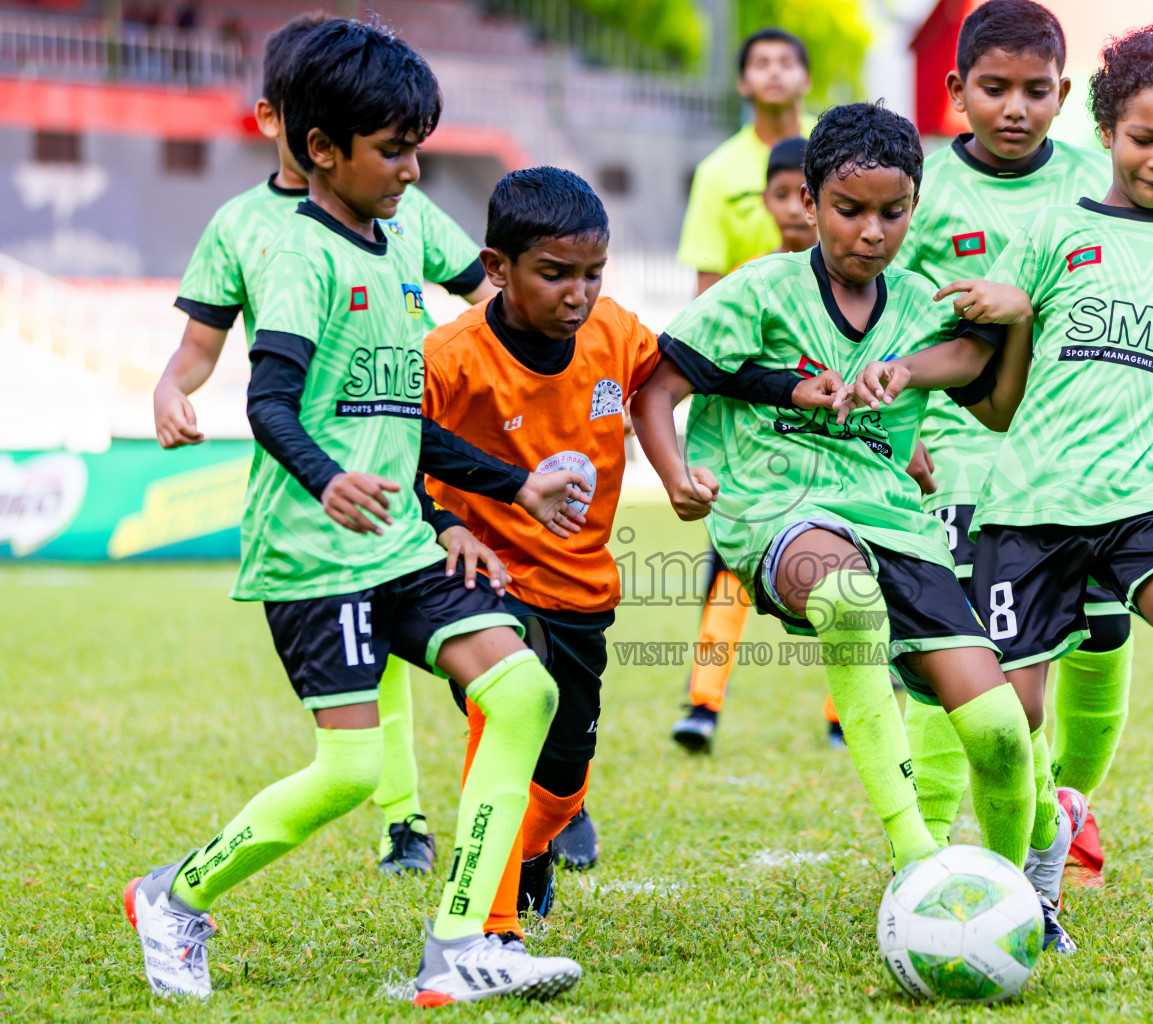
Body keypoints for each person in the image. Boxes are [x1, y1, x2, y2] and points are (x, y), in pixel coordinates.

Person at [123, 21, 586, 1004]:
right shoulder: (290, 253)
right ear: (317, 148)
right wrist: (326, 476)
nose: (417, 169)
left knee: (522, 691)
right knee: (345, 772)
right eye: (395, 149)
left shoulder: (402, 234)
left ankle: (464, 941)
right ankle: (171, 896)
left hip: (399, 539)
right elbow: (267, 401)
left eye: (420, 143)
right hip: (314, 554)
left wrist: (515, 484)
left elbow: (404, 421)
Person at [842, 25, 1153, 965]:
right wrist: (927, 367)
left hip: (1150, 497)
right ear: (1108, 129)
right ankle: (1023, 888)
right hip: (1033, 504)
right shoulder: (1050, 229)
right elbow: (994, 377)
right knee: (1016, 723)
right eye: (1143, 139)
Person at [632, 105, 1070, 927]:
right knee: (848, 601)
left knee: (1005, 734)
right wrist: (676, 474)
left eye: (892, 212)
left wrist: (939, 359)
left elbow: (978, 369)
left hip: (896, 524)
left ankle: (1016, 901)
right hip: (776, 511)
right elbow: (656, 387)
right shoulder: (759, 291)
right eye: (849, 210)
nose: (872, 232)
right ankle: (917, 867)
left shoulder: (919, 304)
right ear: (807, 201)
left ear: (915, 207)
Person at [889, 0, 1130, 899]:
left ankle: (1064, 806)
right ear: (957, 91)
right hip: (962, 462)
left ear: (1065, 94)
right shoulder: (925, 196)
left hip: (1085, 464)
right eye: (995, 89)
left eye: (1037, 90)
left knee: (1101, 645)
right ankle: (938, 858)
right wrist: (901, 437)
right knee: (971, 672)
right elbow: (892, 331)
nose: (1016, 107)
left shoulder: (1101, 183)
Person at [421, 167, 661, 933]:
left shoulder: (617, 334)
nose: (577, 294)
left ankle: (527, 850)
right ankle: (487, 927)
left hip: (583, 591)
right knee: (506, 720)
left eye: (592, 274)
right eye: (555, 275)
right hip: (482, 582)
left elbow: (682, 378)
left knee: (560, 785)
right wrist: (445, 525)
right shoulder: (450, 357)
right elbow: (390, 444)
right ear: (497, 269)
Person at [669, 134, 846, 753]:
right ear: (774, 202)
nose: (795, 210)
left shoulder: (856, 290)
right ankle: (702, 705)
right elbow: (707, 367)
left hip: (832, 469)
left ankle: (840, 714)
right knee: (728, 578)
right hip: (751, 471)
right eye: (780, 193)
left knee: (843, 582)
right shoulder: (748, 283)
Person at [676, 28, 814, 296]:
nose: (774, 72)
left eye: (786, 63)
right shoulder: (715, 173)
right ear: (743, 83)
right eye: (762, 63)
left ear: (806, 79)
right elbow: (708, 290)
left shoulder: (840, 152)